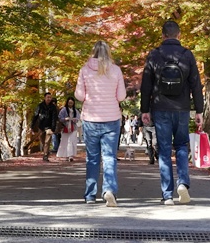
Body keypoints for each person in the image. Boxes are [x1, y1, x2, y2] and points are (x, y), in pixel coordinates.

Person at [140, 20, 203, 205]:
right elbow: (196, 84)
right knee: (182, 145)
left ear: (163, 35)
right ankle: (183, 183)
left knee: (165, 150)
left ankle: (167, 194)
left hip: (160, 108)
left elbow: (146, 86)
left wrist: (144, 109)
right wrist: (199, 110)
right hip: (182, 108)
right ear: (179, 35)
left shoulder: (154, 55)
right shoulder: (187, 55)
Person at [74, 40, 126, 206]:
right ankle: (109, 190)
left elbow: (80, 96)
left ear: (93, 51)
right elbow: (121, 96)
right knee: (110, 157)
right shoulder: (116, 70)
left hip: (91, 118)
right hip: (111, 118)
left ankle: (90, 195)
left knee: (92, 159)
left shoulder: (84, 70)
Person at [32, 91, 58, 162]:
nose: (49, 99)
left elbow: (54, 118)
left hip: (49, 127)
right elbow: (35, 116)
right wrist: (32, 126)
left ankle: (45, 155)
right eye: (47, 97)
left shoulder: (53, 107)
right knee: (43, 142)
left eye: (50, 97)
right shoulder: (40, 106)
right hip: (41, 126)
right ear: (45, 98)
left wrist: (53, 127)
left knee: (47, 142)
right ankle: (46, 151)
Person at [56, 96, 80, 161]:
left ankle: (70, 155)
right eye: (69, 103)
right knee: (65, 141)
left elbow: (78, 118)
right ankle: (66, 155)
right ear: (67, 103)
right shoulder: (63, 110)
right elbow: (60, 118)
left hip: (73, 128)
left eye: (71, 103)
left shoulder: (76, 110)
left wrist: (74, 119)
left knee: (71, 141)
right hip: (65, 127)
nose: (70, 104)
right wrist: (65, 119)